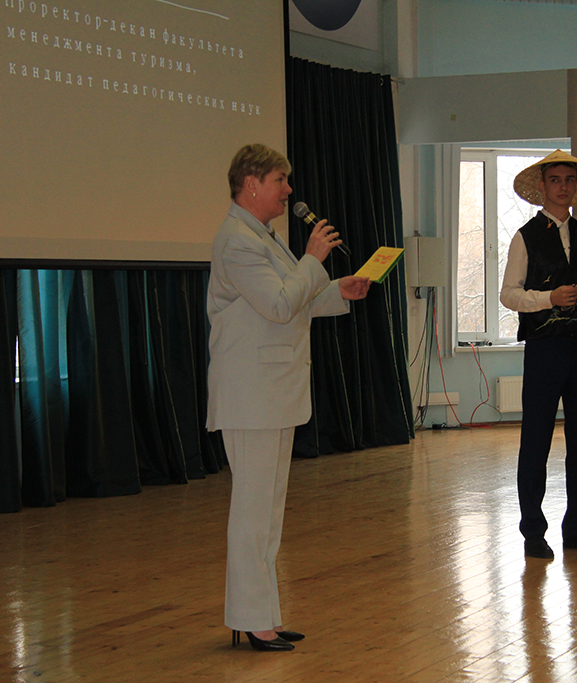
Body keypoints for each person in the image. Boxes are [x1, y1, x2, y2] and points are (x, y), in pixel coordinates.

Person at [206, 143, 371, 651]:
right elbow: (279, 305)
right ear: (251, 184)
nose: (289, 190)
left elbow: (293, 300)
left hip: (271, 392)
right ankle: (251, 619)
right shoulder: (237, 241)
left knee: (268, 512)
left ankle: (263, 616)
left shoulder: (264, 237)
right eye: (281, 180)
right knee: (253, 513)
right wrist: (313, 259)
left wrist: (336, 289)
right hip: (251, 395)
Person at [501, 150, 577, 560]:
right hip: (544, 348)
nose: (563, 186)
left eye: (569, 179)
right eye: (555, 179)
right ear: (542, 186)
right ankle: (533, 531)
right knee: (535, 439)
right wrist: (548, 298)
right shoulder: (525, 237)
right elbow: (508, 295)